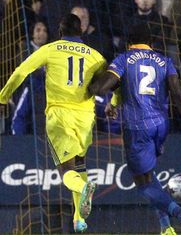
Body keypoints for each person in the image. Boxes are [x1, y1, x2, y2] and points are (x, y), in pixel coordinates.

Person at [88, 23, 181, 235]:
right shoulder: (165, 61)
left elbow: (101, 87)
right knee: (149, 176)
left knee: (143, 184)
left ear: (128, 43)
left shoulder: (124, 59)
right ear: (152, 43)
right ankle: (165, 228)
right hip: (161, 126)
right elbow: (179, 95)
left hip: (137, 127)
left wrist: (93, 79)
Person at [0, 14, 104, 232]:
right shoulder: (96, 56)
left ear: (59, 31)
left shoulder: (50, 49)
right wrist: (114, 104)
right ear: (81, 32)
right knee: (80, 164)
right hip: (86, 118)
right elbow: (113, 80)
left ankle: (83, 187)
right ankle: (79, 219)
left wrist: (2, 97)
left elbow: (21, 71)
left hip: (59, 116)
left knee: (66, 171)